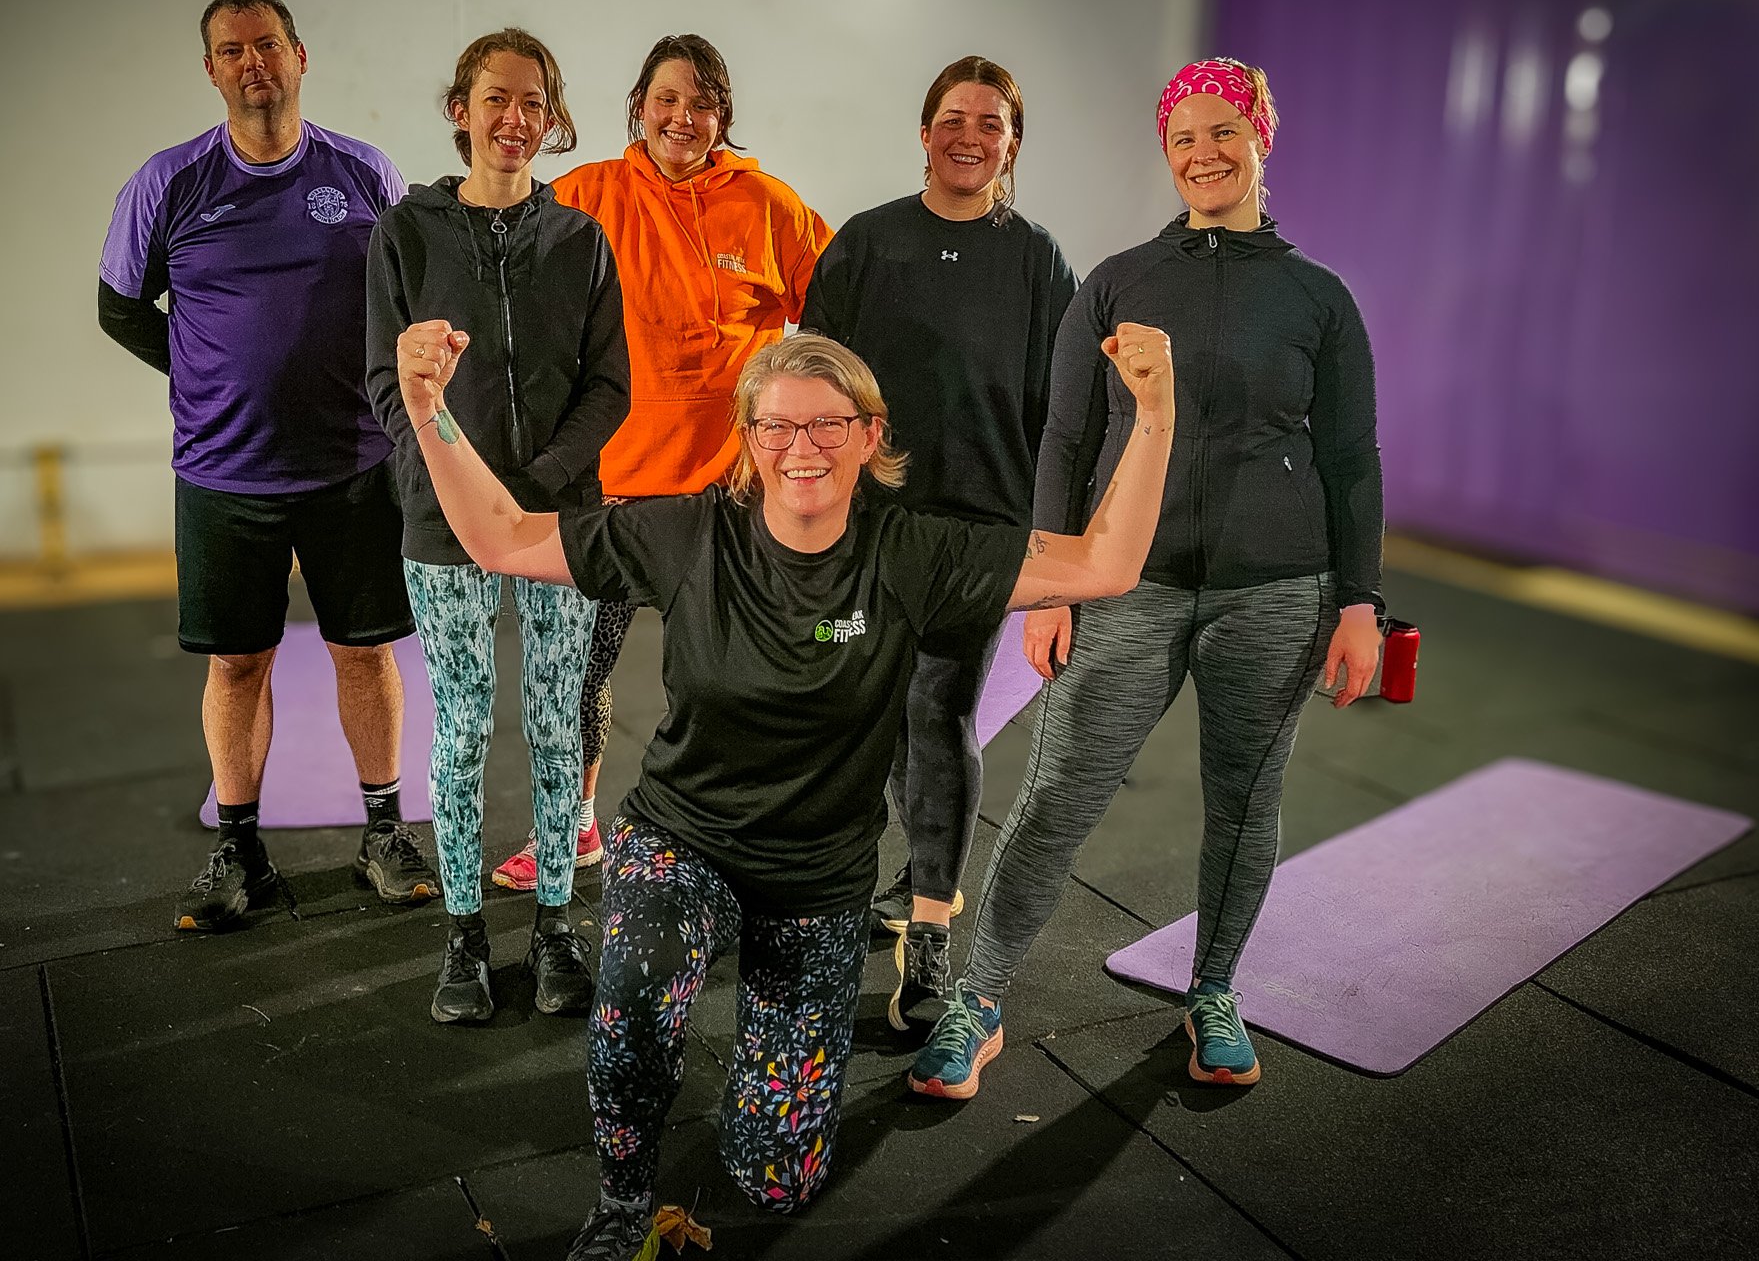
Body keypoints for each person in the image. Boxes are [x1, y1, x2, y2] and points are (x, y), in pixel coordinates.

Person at [390, 322, 1174, 1257]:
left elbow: (1106, 565)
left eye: (828, 425)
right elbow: (504, 538)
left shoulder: (913, 551)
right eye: (777, 428)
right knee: (636, 996)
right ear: (749, 440)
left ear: (871, 435)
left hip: (820, 878)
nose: (803, 448)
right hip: (685, 840)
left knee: (776, 1176)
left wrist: (1155, 411)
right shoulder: (686, 533)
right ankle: (623, 1198)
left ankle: (768, 1138)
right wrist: (429, 412)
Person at [908, 56, 1384, 1100]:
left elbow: (1352, 459)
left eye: (1223, 131)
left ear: (1259, 134)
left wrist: (1358, 602)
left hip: (1277, 592)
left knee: (1242, 805)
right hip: (1126, 586)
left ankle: (1213, 991)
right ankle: (976, 1003)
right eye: (1182, 138)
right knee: (1054, 800)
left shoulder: (1317, 299)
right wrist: (1051, 587)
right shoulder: (1118, 282)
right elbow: (1065, 443)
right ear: (1163, 152)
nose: (1202, 153)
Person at [98, 0, 434, 933]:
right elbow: (120, 307)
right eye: (233, 50)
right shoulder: (167, 182)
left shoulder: (365, 172)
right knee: (237, 666)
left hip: (355, 466)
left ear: (299, 56)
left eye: (269, 44)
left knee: (364, 654)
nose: (254, 62)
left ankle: (383, 832)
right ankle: (238, 849)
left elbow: (409, 296)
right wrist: (201, 374)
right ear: (211, 70)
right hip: (224, 474)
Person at [487, 34, 832, 894]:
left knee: (733, 683)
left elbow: (834, 318)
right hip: (606, 493)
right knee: (579, 679)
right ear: (640, 102)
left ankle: (739, 837)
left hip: (725, 498)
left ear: (724, 115)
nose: (685, 118)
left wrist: (806, 445)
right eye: (668, 99)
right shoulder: (584, 193)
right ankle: (571, 828)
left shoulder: (768, 206)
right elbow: (503, 289)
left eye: (704, 103)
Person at [800, 56, 1076, 1032]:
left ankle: (927, 937)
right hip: (868, 529)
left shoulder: (1036, 261)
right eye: (953, 118)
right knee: (869, 713)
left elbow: (1061, 414)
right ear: (924, 133)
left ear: (1010, 144)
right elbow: (810, 392)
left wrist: (1052, 555)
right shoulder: (866, 246)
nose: (970, 135)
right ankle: (873, 894)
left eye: (990, 123)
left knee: (936, 708)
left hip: (979, 533)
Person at [365, 27, 629, 1025]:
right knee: (465, 731)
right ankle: (466, 935)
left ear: (551, 121)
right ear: (460, 109)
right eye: (497, 100)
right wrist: (453, 476)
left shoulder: (580, 241)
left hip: (560, 528)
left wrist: (543, 487)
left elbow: (611, 386)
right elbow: (385, 383)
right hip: (443, 529)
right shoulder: (407, 233)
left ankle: (556, 927)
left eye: (534, 104)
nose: (514, 120)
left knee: (560, 727)